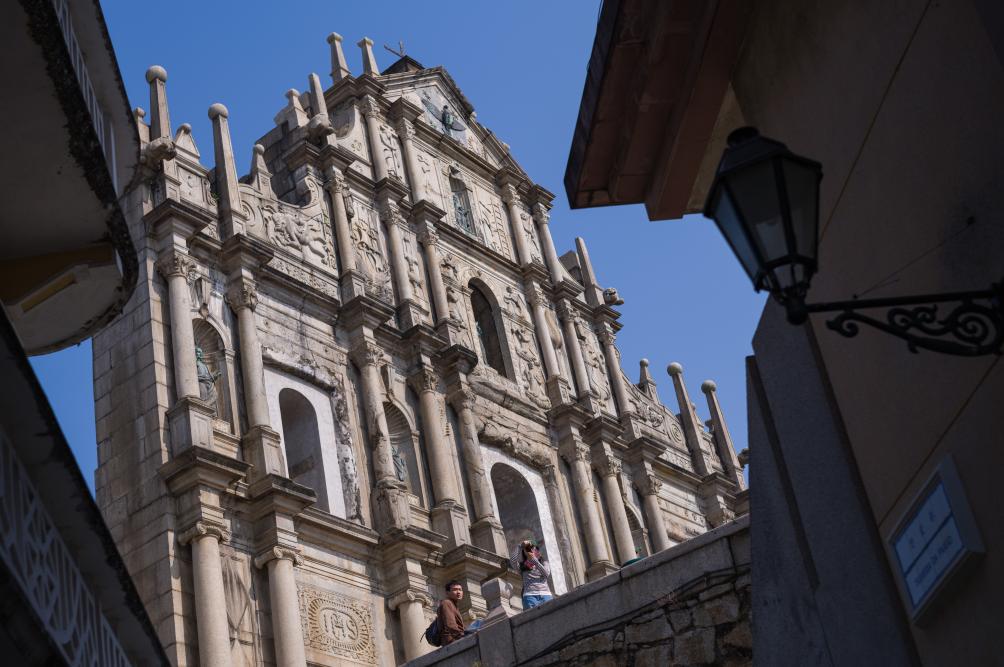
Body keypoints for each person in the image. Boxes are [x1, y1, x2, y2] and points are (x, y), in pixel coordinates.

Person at [510, 538, 554, 610]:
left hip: (545, 594)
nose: (531, 550)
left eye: (533, 548)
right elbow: (512, 560)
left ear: (537, 551)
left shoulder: (544, 563)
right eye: (528, 548)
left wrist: (534, 561)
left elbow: (546, 574)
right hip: (529, 595)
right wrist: (520, 546)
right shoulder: (522, 566)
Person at [436, 580, 465, 646]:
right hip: (451, 641)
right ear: (447, 593)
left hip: (454, 640)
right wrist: (462, 637)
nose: (458, 592)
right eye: (455, 590)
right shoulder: (447, 603)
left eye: (460, 590)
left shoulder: (453, 605)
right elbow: (450, 624)